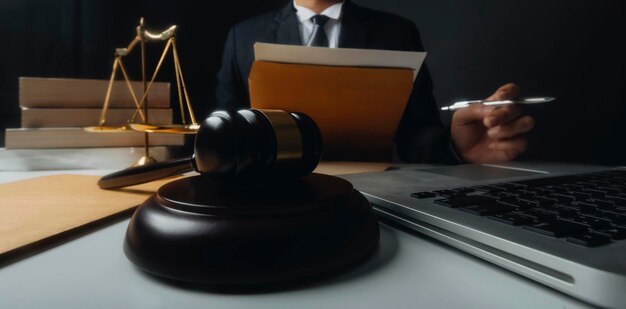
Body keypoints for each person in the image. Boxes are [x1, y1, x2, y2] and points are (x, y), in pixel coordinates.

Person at [215, 0, 535, 164]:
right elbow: (227, 132)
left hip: (375, 200)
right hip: (272, 196)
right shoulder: (242, 36)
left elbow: (415, 134)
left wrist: (456, 148)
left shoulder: (397, 32)